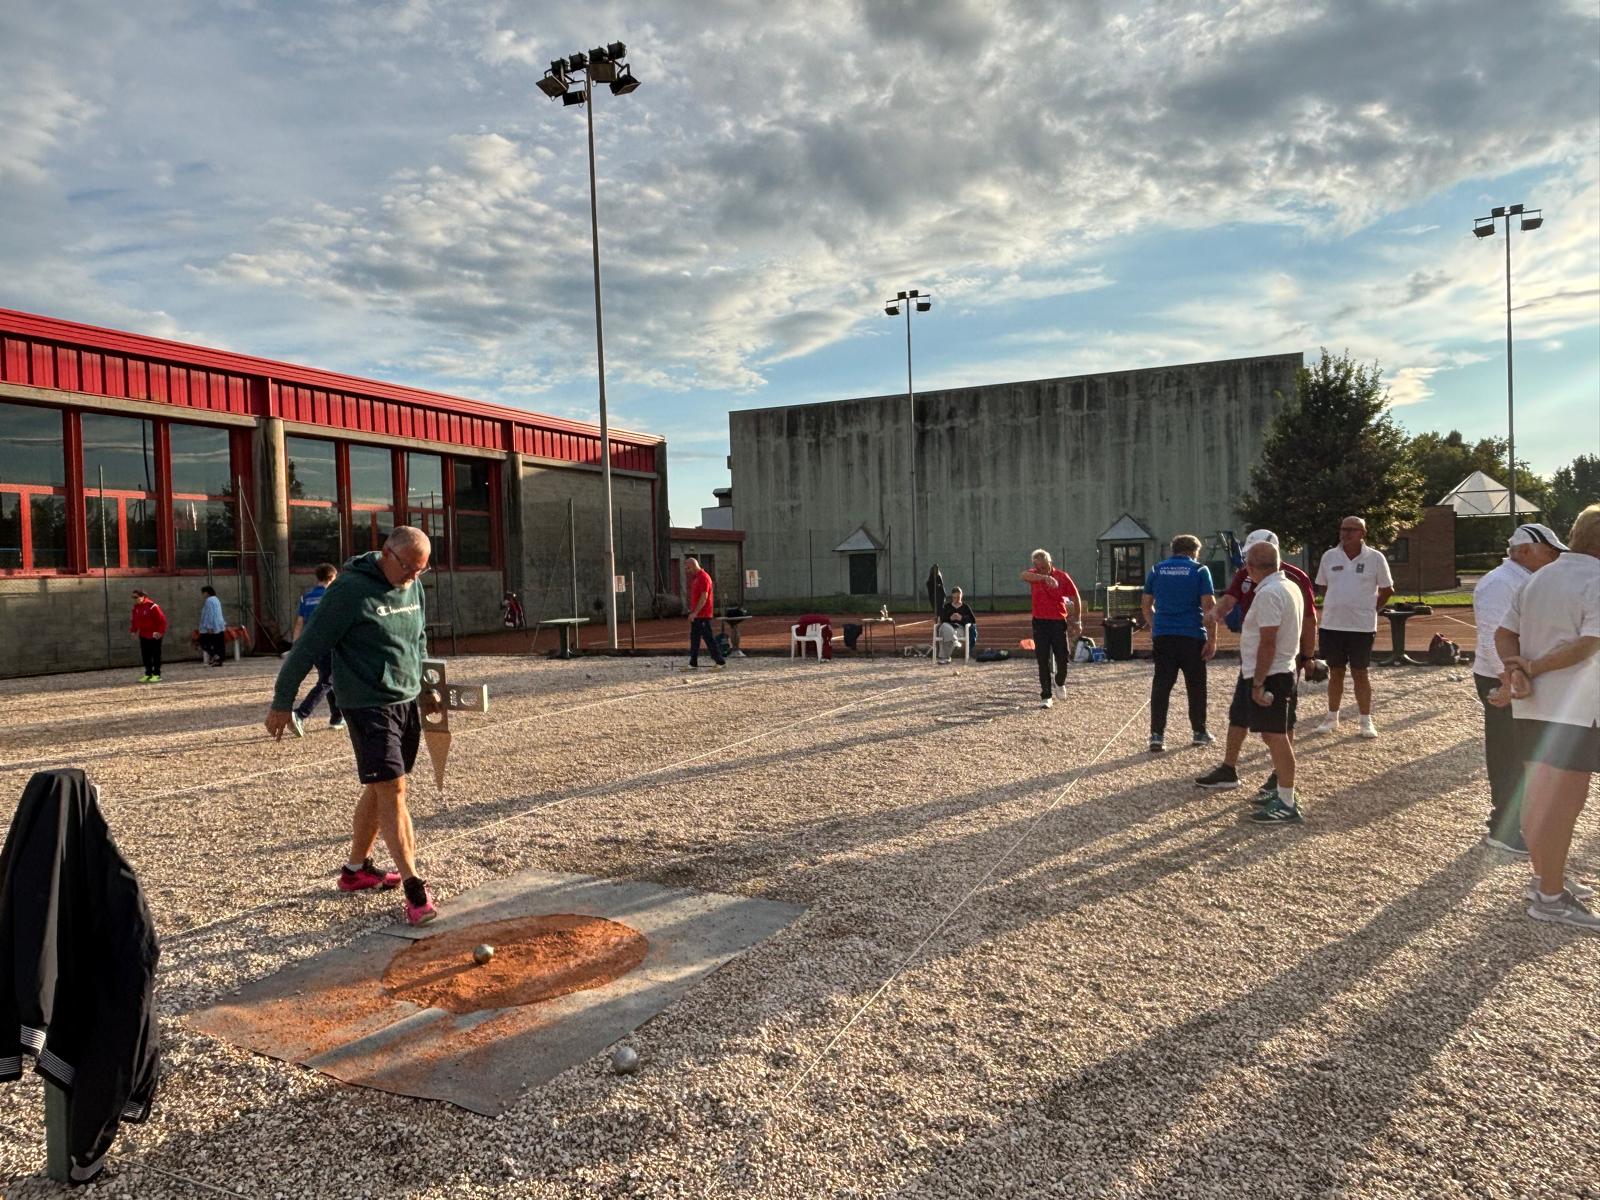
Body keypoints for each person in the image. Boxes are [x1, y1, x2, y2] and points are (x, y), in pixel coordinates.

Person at [264, 527, 437, 926]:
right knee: (393, 788)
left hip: (405, 699)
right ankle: (414, 887)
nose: (413, 576)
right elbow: (307, 647)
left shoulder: (413, 587)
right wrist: (282, 702)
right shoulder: (349, 592)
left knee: (383, 787)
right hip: (366, 702)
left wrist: (426, 683)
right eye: (409, 567)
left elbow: (419, 639)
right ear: (387, 554)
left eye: (421, 570)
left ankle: (356, 870)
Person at [1493, 504, 1600, 931]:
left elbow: (1504, 634)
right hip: (1576, 708)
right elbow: (1589, 644)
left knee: (1539, 797)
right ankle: (1550, 896)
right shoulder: (1595, 580)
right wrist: (1528, 669)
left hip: (1533, 705)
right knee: (1565, 803)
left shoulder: (1537, 580)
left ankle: (1546, 879)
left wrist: (1515, 668)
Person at [1197, 530, 1318, 795]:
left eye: (1248, 560)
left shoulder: (1290, 581)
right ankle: (1229, 768)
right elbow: (1229, 600)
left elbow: (1307, 621)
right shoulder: (1251, 575)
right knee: (1240, 713)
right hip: (1257, 661)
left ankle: (1282, 782)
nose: (1244, 566)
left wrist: (1308, 656)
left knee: (1280, 725)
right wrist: (1216, 613)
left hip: (1277, 661)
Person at [1471, 524, 1566, 853]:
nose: (1555, 559)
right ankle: (1503, 829)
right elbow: (1491, 639)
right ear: (1525, 551)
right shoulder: (1500, 583)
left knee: (1524, 751)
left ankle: (1521, 821)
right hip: (1505, 679)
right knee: (1507, 753)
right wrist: (1507, 684)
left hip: (1518, 678)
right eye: (1550, 552)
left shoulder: (1524, 580)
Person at [1226, 540, 1305, 824]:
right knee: (1274, 736)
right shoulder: (1289, 586)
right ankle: (1284, 793)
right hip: (1281, 670)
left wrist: (1258, 683)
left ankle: (1286, 801)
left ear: (1250, 568)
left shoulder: (1269, 593)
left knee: (1276, 737)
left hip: (1272, 673)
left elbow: (1268, 642)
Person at [1312, 515, 1393, 737]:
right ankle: (1331, 717)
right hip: (1332, 625)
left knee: (1360, 672)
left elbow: (1387, 590)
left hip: (1362, 627)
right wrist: (1339, 604)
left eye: (1351, 529)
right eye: (1342, 529)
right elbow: (1322, 586)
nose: (1345, 533)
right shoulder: (1329, 556)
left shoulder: (1375, 558)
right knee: (1336, 671)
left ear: (1362, 534)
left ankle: (1366, 721)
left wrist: (1370, 608)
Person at [1141, 534, 1217, 751]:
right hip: (1192, 634)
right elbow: (1209, 606)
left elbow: (1146, 604)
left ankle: (1157, 735)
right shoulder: (1200, 570)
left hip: (1164, 635)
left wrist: (1155, 625)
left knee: (1162, 685)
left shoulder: (1156, 570)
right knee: (1196, 685)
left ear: (1173, 550)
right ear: (1194, 551)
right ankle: (1199, 731)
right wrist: (1212, 639)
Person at [1019, 549, 1082, 709]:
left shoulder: (1062, 576)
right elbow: (1023, 575)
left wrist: (1077, 619)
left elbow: (1075, 597)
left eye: (1043, 567)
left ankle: (1059, 682)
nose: (1040, 569)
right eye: (1037, 567)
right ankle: (1046, 695)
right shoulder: (1035, 575)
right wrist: (1044, 577)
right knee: (1042, 660)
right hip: (1040, 623)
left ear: (1049, 563)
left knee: (1063, 657)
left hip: (1058, 622)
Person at [288, 563, 343, 733]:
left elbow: (299, 622)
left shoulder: (306, 597)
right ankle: (300, 714)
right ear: (333, 577)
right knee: (328, 681)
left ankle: (336, 718)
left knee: (328, 680)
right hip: (329, 644)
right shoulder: (333, 595)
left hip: (311, 644)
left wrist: (295, 646)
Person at [684, 556, 726, 670]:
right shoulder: (696, 578)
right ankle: (693, 663)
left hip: (703, 615)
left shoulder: (704, 577)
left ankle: (720, 661)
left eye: (688, 568)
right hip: (697, 615)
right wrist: (692, 612)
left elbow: (704, 596)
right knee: (694, 639)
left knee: (708, 638)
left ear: (693, 566)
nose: (687, 571)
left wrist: (695, 612)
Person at [129, 589, 167, 683]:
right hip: (143, 634)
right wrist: (133, 631)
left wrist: (160, 632)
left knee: (155, 655)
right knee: (146, 655)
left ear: (143, 597)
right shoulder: (136, 608)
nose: (134, 599)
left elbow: (161, 620)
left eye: (136, 597)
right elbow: (135, 620)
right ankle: (148, 673)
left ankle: (156, 674)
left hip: (154, 634)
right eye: (133, 597)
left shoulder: (152, 606)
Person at [936, 587, 978, 664]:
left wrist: (962, 618)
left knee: (948, 635)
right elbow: (942, 619)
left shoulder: (966, 607)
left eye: (958, 597)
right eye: (954, 597)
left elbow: (973, 621)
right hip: (946, 626)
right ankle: (954, 640)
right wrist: (950, 618)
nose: (956, 599)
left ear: (962, 595)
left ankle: (945, 657)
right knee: (946, 627)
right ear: (952, 597)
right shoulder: (947, 606)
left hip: (959, 629)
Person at [197, 585, 227, 667]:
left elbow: (210, 614)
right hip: (218, 625)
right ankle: (218, 659)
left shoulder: (209, 601)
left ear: (206, 593)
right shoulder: (216, 599)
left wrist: (209, 626)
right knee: (217, 643)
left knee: (203, 642)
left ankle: (215, 656)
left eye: (203, 593)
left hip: (211, 627)